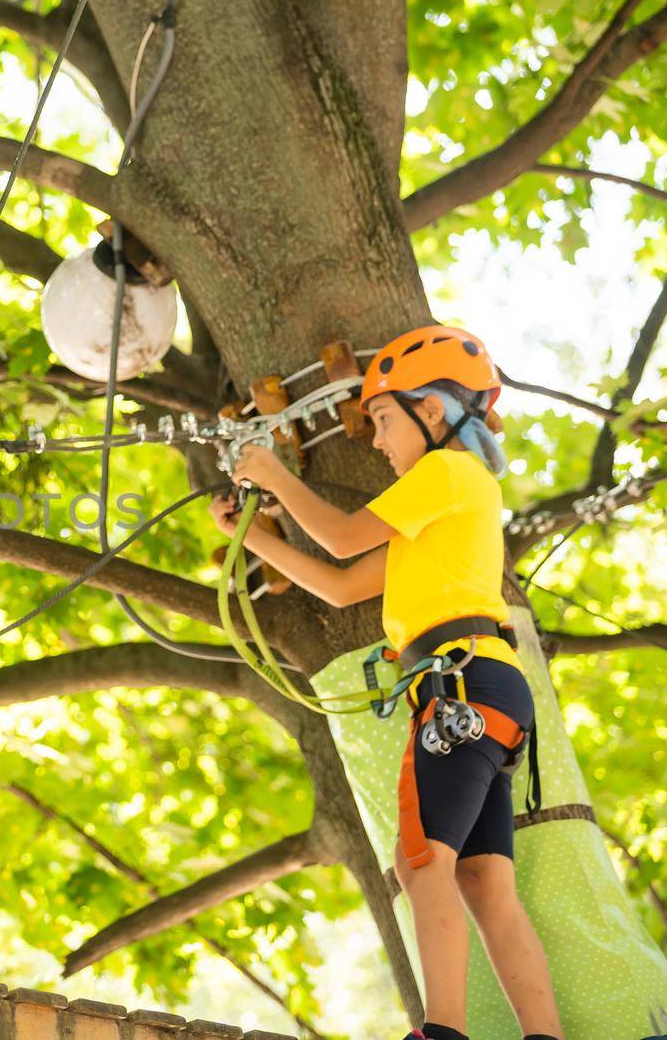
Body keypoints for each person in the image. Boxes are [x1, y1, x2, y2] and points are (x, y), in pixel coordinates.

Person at [208, 325, 562, 1040]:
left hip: (457, 683)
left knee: (421, 857)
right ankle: (544, 1035)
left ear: (432, 411)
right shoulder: (448, 503)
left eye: (383, 419)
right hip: (489, 686)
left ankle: (443, 1033)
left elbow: (340, 536)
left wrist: (276, 475)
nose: (375, 441)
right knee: (482, 880)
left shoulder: (447, 472)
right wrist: (256, 535)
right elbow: (341, 586)